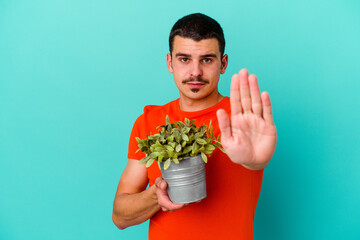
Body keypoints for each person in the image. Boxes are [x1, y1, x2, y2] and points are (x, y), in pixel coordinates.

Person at [112, 13, 277, 240]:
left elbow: (255, 157)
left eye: (207, 59)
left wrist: (256, 161)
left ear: (223, 63)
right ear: (170, 62)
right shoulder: (149, 122)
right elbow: (120, 216)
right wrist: (156, 197)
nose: (196, 72)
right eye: (184, 59)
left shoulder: (242, 118)